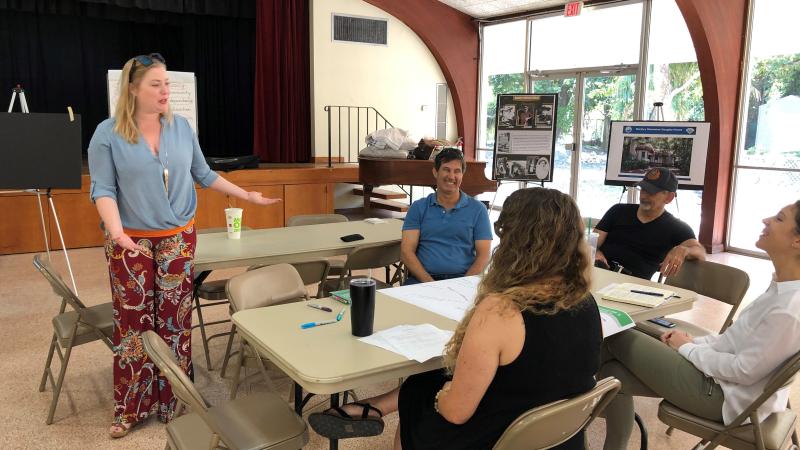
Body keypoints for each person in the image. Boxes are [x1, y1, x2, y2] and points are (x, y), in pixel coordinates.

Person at [308, 187, 603, 449]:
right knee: (433, 374)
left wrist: (443, 395)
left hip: (503, 437)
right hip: (561, 435)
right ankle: (376, 406)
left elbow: (455, 412)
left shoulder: (500, 311)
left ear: (516, 243)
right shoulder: (585, 301)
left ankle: (379, 408)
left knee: (423, 404)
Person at [88, 53, 281, 438]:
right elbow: (103, 189)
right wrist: (118, 234)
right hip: (130, 243)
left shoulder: (180, 128)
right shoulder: (107, 133)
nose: (165, 90)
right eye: (155, 84)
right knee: (133, 326)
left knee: (175, 323)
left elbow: (204, 174)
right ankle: (130, 407)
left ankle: (174, 401)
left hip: (177, 239)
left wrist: (248, 195)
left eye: (167, 83)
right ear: (133, 89)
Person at [599, 201, 800, 450]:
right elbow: (733, 341)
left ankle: (558, 411)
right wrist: (694, 342)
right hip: (721, 383)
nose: (766, 220)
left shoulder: (790, 308)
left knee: (616, 335)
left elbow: (743, 371)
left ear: (797, 242)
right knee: (613, 375)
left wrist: (688, 349)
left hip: (723, 398)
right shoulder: (781, 288)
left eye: (779, 219)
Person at [400, 148, 492, 285]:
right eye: (446, 169)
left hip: (464, 280)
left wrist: (461, 285)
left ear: (462, 175)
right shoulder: (418, 208)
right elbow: (406, 252)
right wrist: (431, 284)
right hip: (422, 281)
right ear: (435, 172)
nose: (451, 176)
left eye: (457, 171)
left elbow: (484, 256)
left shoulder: (478, 210)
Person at [594, 167, 705, 280]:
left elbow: (700, 252)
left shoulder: (676, 227)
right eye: (643, 189)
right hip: (599, 273)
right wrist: (595, 252)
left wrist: (684, 250)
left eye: (651, 192)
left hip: (634, 287)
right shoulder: (617, 210)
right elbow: (591, 243)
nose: (644, 196)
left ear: (669, 197)